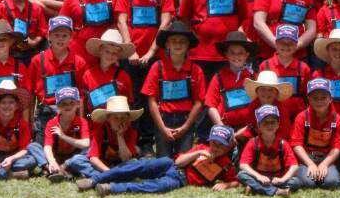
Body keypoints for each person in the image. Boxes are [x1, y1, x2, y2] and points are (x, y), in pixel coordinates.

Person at [79, 125, 240, 196]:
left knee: (155, 187)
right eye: (214, 143)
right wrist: (198, 155)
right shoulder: (201, 148)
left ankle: (111, 188)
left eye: (221, 145)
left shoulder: (225, 164)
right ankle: (95, 179)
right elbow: (179, 162)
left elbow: (236, 181)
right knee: (139, 166)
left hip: (180, 180)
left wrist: (226, 185)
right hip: (170, 164)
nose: (216, 147)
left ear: (228, 146)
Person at [142, 21, 206, 157]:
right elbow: (152, 100)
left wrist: (186, 127)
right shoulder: (157, 68)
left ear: (188, 44)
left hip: (185, 120)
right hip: (163, 120)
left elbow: (199, 102)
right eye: (173, 41)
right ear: (167, 44)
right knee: (163, 163)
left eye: (182, 41)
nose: (178, 44)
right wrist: (162, 127)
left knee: (183, 162)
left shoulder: (196, 70)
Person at [25, 16, 87, 143]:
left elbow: (81, 95)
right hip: (45, 113)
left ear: (71, 37)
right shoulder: (37, 61)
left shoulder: (79, 62)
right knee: (37, 150)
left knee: (72, 152)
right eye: (56, 35)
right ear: (49, 36)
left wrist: (80, 121)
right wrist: (29, 121)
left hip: (70, 114)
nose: (60, 39)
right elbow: (29, 93)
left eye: (64, 36)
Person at [0, 80, 41, 180]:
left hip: (14, 158)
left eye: (11, 102)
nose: (7, 106)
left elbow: (25, 149)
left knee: (31, 160)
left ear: (17, 105)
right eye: (3, 102)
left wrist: (12, 159)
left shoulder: (21, 123)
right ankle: (11, 174)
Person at [290, 78, 340, 190]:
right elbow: (297, 145)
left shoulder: (337, 119)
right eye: (315, 98)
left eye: (323, 97)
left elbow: (336, 148)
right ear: (309, 99)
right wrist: (310, 164)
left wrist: (325, 164)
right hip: (306, 159)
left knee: (332, 182)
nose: (319, 101)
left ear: (330, 98)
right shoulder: (302, 117)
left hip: (326, 159)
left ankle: (325, 174)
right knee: (309, 183)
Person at [203, 31, 257, 140]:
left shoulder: (254, 77)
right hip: (224, 130)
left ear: (247, 54)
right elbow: (210, 105)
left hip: (250, 130)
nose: (236, 56)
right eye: (232, 52)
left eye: (240, 53)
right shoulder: (218, 77)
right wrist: (222, 129)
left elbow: (261, 104)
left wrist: (249, 128)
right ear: (226, 55)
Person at [237, 105, 300, 197]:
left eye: (273, 122)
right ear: (258, 125)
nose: (270, 125)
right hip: (259, 177)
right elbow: (243, 165)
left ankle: (255, 187)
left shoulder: (283, 143)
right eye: (265, 123)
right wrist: (258, 176)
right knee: (241, 175)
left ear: (278, 124)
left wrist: (282, 179)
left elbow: (294, 166)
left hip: (278, 179)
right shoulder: (253, 142)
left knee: (296, 182)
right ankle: (276, 191)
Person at [75, 95, 142, 180]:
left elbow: (126, 158)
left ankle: (97, 176)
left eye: (123, 117)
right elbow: (93, 158)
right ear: (108, 119)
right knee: (77, 160)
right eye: (116, 118)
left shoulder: (132, 132)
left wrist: (120, 136)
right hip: (103, 165)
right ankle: (113, 176)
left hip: (121, 164)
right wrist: (110, 172)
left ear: (128, 118)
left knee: (134, 162)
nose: (120, 121)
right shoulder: (100, 131)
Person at [43, 86, 90, 183]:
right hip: (57, 158)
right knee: (34, 147)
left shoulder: (82, 122)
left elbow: (86, 144)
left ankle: (60, 169)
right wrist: (52, 161)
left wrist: (63, 136)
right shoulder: (52, 123)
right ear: (58, 106)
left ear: (77, 104)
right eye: (63, 104)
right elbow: (47, 146)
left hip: (75, 158)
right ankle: (54, 167)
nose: (68, 106)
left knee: (88, 151)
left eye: (71, 103)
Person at [81, 30, 134, 113]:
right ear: (100, 51)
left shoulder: (124, 76)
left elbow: (130, 103)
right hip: (93, 122)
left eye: (114, 53)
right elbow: (83, 103)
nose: (110, 55)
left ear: (118, 55)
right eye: (107, 51)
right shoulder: (88, 75)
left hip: (117, 122)